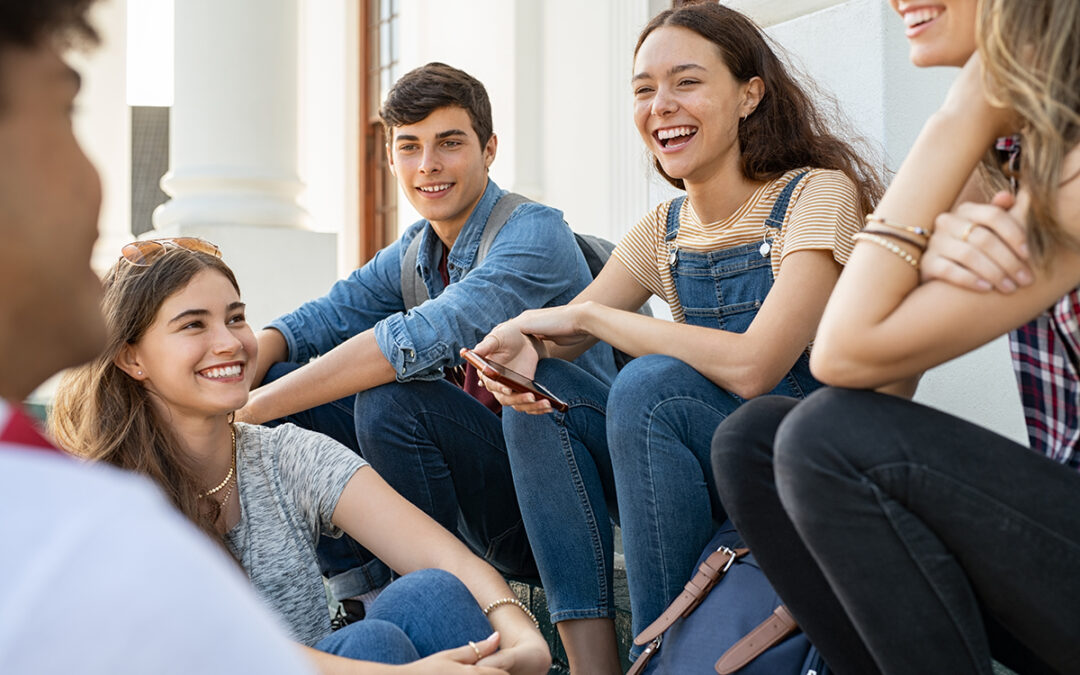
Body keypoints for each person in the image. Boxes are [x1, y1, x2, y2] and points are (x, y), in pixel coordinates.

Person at [470, 3, 884, 672]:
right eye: (643, 89)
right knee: (539, 397)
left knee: (652, 386)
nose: (661, 105)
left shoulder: (814, 195)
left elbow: (756, 366)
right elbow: (563, 334)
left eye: (686, 81)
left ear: (750, 94)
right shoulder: (663, 228)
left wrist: (594, 321)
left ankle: (660, 658)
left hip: (795, 471)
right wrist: (524, 348)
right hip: (693, 473)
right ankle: (594, 664)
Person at [711, 0, 1080, 673]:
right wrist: (924, 253)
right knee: (756, 442)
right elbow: (871, 386)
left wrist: (963, 108)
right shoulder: (1011, 155)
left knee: (821, 439)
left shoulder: (1069, 171)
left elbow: (842, 352)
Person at [50, 240, 552, 675]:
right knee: (372, 647)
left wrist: (519, 629)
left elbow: (445, 557)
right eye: (193, 326)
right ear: (132, 357)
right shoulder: (112, 496)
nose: (228, 342)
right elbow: (217, 652)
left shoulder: (282, 457)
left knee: (431, 594)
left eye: (235, 318)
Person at [0, 1, 313, 673]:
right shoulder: (80, 542)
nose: (97, 183)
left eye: (235, 316)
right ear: (131, 357)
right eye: (64, 113)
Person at [236, 62, 615, 603]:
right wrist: (236, 388)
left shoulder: (534, 233)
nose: (428, 166)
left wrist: (244, 413)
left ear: (489, 149)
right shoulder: (418, 249)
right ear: (390, 157)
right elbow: (317, 321)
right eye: (409, 146)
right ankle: (364, 596)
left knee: (392, 401)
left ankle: (428, 601)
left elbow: (411, 341)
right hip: (465, 488)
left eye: (449, 143)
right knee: (286, 381)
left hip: (552, 507)